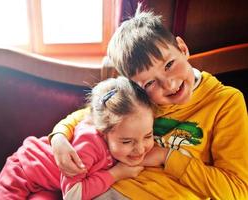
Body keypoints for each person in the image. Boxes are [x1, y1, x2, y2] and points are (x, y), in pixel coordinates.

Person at [48, 10, 248, 200]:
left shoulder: (226, 102)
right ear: (136, 87)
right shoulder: (142, 97)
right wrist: (59, 137)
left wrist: (166, 157)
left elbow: (237, 191)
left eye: (169, 64)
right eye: (150, 82)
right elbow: (93, 113)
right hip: (110, 191)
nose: (169, 84)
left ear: (182, 48)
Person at [0, 76, 155, 199]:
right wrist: (116, 174)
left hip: (50, 185)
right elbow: (72, 195)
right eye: (127, 141)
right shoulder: (89, 143)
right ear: (103, 132)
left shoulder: (126, 132)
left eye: (148, 136)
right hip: (23, 171)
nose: (140, 149)